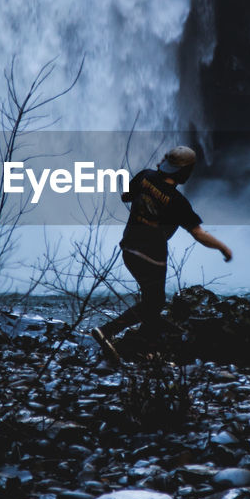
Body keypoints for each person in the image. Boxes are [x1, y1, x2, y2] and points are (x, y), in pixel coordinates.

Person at [92, 145, 232, 364]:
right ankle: (107, 331)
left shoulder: (145, 177)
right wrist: (223, 248)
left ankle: (145, 347)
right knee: (153, 303)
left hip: (128, 248)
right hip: (151, 258)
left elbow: (126, 197)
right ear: (186, 173)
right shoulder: (179, 203)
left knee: (153, 302)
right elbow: (198, 234)